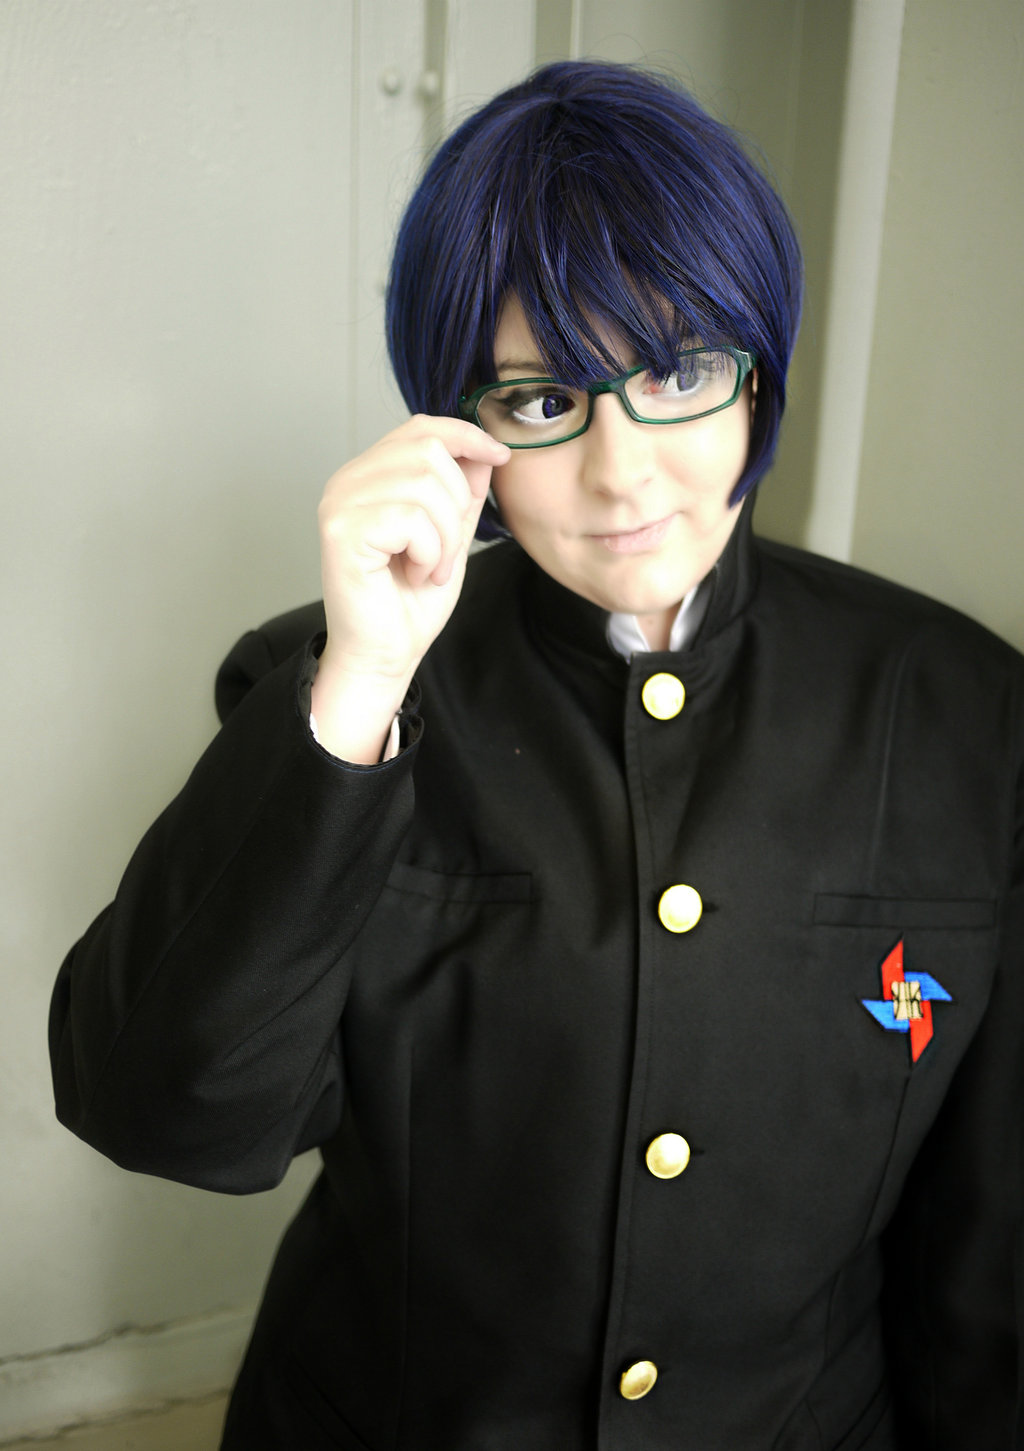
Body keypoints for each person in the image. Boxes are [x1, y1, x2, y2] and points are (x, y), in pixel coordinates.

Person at [49, 60, 1023, 1451]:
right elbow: (162, 1111)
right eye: (541, 398)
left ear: (760, 377)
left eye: (678, 373)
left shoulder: (967, 713)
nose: (621, 472)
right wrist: (361, 682)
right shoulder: (330, 686)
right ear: (460, 427)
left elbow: (988, 1246)